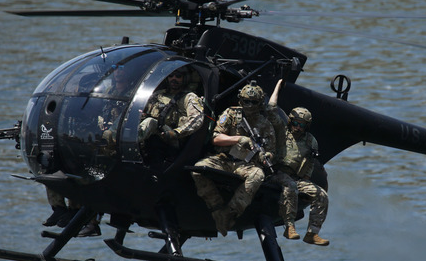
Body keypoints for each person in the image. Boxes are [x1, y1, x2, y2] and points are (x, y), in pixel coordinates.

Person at [191, 81, 275, 236]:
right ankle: (217, 209)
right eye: (246, 101)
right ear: (240, 100)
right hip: (224, 159)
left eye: (254, 102)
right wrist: (237, 139)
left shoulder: (265, 125)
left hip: (246, 164)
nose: (249, 105)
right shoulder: (231, 114)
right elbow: (215, 138)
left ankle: (230, 212)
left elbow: (270, 151)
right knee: (198, 170)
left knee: (258, 176)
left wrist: (265, 156)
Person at [267, 80, 330, 246]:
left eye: (302, 125)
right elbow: (271, 108)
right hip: (276, 174)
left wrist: (307, 181)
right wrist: (277, 86)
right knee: (290, 186)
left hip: (298, 178)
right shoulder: (282, 132)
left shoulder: (311, 141)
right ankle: (289, 227)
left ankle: (312, 233)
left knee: (321, 195)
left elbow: (310, 163)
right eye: (295, 123)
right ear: (290, 122)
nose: (298, 127)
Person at [138, 66, 203, 149]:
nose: (173, 78)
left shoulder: (189, 97)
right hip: (153, 135)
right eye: (171, 76)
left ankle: (129, 140)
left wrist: (176, 133)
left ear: (185, 78)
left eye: (178, 76)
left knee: (150, 122)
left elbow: (197, 120)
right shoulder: (158, 94)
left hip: (173, 138)